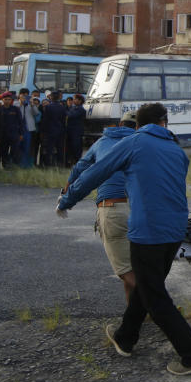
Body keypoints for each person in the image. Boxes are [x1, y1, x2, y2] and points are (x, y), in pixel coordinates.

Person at [57, 102, 191, 375]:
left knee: (153, 295)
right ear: (165, 123)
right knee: (146, 287)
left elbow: (95, 172)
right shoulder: (177, 150)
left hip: (148, 229)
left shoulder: (135, 142)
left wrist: (67, 200)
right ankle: (125, 337)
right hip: (176, 228)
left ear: (138, 125)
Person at [66, 110, 138, 304]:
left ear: (119, 125)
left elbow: (81, 169)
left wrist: (67, 191)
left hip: (113, 208)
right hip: (142, 209)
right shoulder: (142, 143)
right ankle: (135, 315)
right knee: (138, 265)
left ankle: (157, 301)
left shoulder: (102, 142)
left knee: (125, 270)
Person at [0, 91, 24, 167]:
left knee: (15, 152)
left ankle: (14, 167)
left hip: (14, 134)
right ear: (3, 100)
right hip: (3, 135)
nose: (7, 101)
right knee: (3, 152)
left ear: (11, 100)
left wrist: (21, 134)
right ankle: (5, 167)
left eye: (9, 99)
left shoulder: (15, 109)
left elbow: (20, 122)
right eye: (6, 99)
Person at [41, 92, 66, 167]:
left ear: (51, 97)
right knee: (60, 149)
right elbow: (63, 119)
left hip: (50, 130)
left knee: (49, 148)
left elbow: (45, 120)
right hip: (60, 130)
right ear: (58, 97)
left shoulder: (48, 107)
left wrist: (43, 131)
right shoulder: (62, 107)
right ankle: (60, 164)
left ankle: (48, 165)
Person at [17, 88, 37, 167]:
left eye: (26, 95)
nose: (25, 97)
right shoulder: (16, 103)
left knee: (27, 147)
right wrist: (21, 103)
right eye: (23, 95)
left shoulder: (30, 104)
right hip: (18, 129)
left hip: (28, 129)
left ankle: (25, 165)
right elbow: (16, 110)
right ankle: (17, 164)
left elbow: (36, 113)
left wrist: (32, 104)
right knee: (18, 147)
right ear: (19, 95)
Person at [66, 94, 87, 166]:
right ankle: (71, 160)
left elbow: (71, 115)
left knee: (76, 147)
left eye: (75, 99)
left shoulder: (80, 109)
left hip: (76, 131)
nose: (73, 101)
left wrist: (66, 111)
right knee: (70, 147)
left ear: (80, 101)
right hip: (71, 131)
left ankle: (76, 161)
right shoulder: (73, 108)